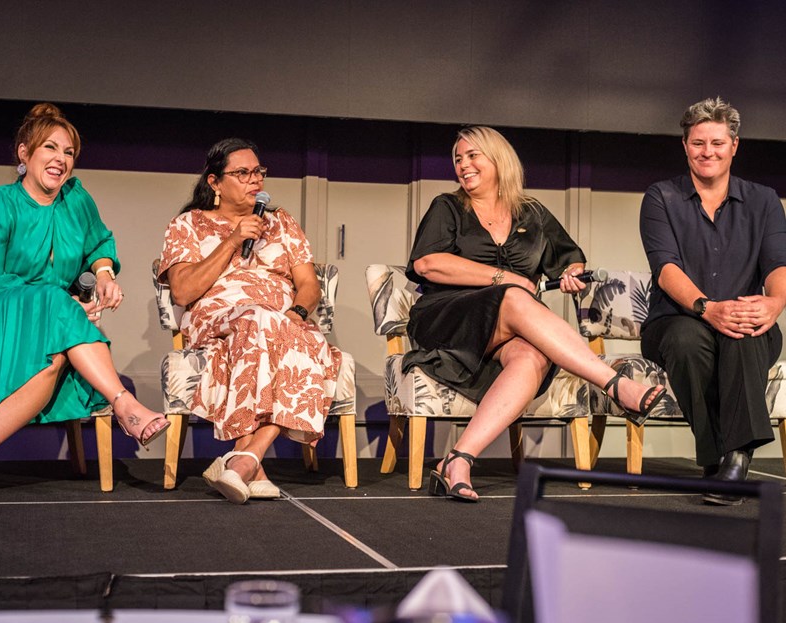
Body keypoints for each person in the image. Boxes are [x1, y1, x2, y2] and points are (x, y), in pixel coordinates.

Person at [405, 126, 666, 502]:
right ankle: (615, 384)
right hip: (448, 320)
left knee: (532, 355)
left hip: (504, 330)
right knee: (511, 294)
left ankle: (459, 460)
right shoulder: (447, 207)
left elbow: (569, 258)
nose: (463, 165)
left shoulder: (532, 213)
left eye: (472, 155)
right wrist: (503, 276)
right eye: (458, 159)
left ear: (498, 159)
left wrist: (573, 273)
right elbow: (428, 263)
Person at [0, 103, 170, 503]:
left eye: (68, 153)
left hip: (51, 319)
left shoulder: (76, 199)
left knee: (55, 358)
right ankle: (126, 404)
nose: (61, 160)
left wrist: (104, 273)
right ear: (24, 154)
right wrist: (56, 302)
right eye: (50, 148)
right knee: (54, 305)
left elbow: (100, 242)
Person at [158, 138, 341, 504]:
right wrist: (231, 240)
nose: (254, 179)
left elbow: (308, 285)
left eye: (258, 171)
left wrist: (295, 314)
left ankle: (245, 460)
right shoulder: (187, 225)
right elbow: (181, 292)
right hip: (216, 319)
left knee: (282, 332)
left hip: (279, 322)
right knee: (259, 320)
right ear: (214, 182)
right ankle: (250, 461)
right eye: (242, 173)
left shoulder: (282, 222)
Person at [640, 97, 786, 505]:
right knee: (690, 340)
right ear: (685, 145)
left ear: (734, 145)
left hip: (746, 319)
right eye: (698, 143)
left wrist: (774, 304)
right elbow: (665, 269)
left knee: (744, 330)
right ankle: (717, 456)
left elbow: (779, 264)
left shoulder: (764, 200)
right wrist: (708, 308)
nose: (708, 152)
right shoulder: (661, 197)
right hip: (675, 320)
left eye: (718, 143)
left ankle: (735, 459)